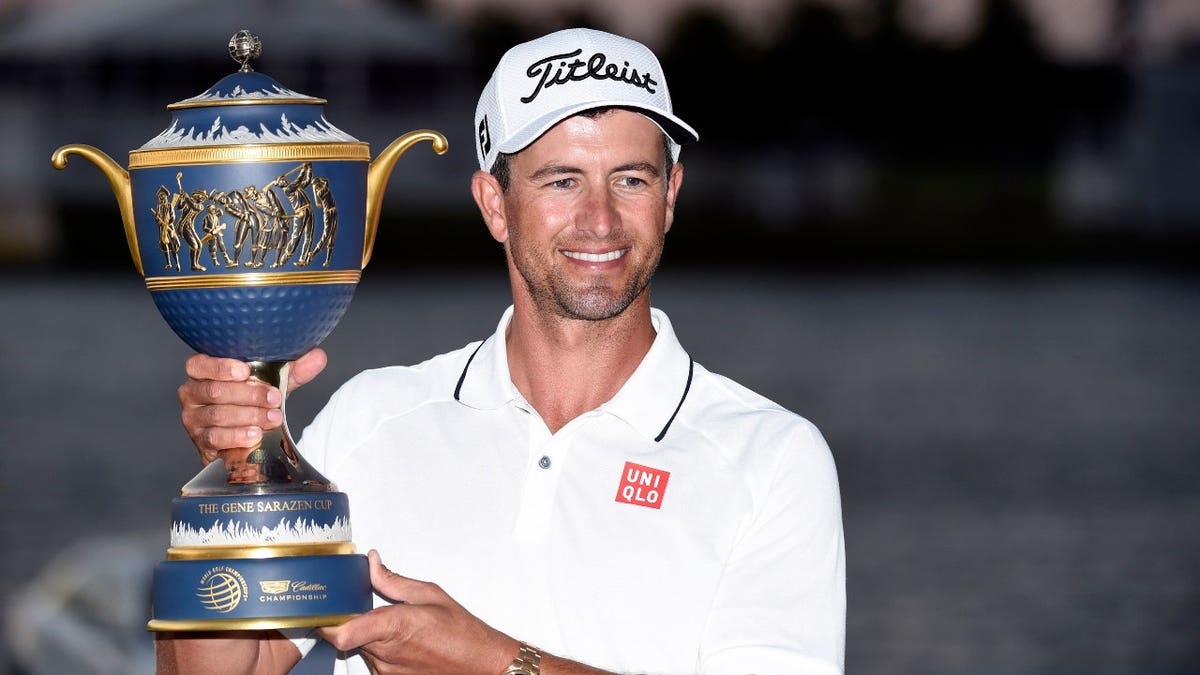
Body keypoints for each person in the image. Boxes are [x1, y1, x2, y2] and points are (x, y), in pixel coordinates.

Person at [160, 27, 846, 675]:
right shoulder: (372, 420)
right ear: (494, 203)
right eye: (561, 180)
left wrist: (492, 661)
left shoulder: (773, 459)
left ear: (671, 196)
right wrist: (233, 487)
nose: (600, 218)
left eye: (632, 179)